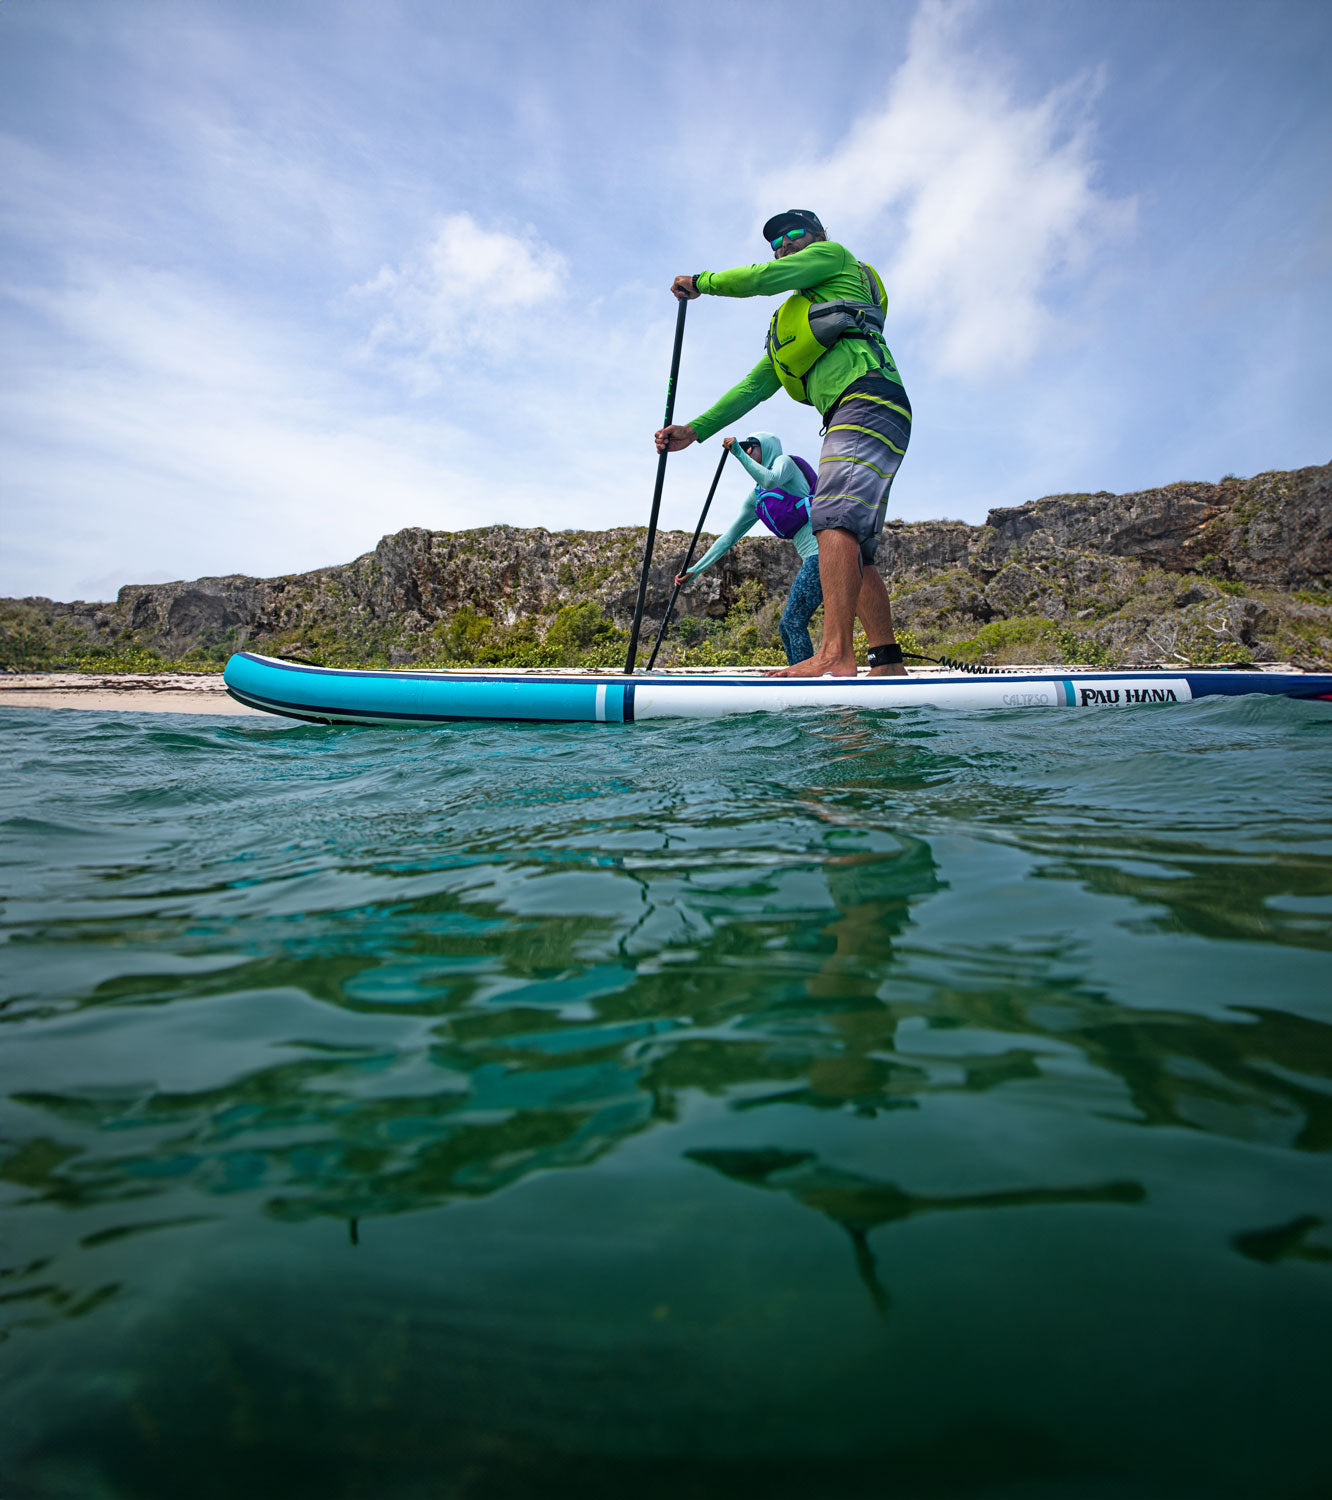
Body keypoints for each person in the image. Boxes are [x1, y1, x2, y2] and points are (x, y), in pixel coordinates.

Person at [653, 210, 911, 677]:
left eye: (794, 234)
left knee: (830, 517)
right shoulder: (792, 326)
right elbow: (755, 385)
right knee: (857, 543)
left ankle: (835, 656)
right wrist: (695, 430)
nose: (784, 245)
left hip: (866, 394)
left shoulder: (834, 260)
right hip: (856, 410)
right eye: (775, 242)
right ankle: (887, 662)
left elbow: (765, 279)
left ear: (817, 237)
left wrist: (702, 282)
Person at [675, 431, 823, 664]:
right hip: (812, 558)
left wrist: (736, 452)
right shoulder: (757, 496)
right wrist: (695, 570)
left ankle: (806, 680)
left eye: (750, 447)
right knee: (787, 627)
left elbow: (771, 479)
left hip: (823, 553)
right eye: (743, 448)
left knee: (793, 623)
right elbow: (728, 538)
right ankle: (800, 676)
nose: (747, 452)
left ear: (766, 446)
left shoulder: (784, 463)